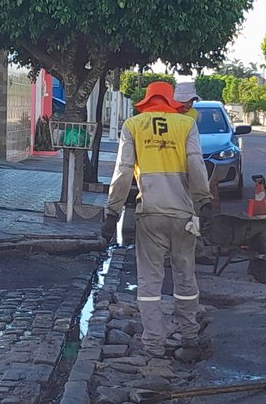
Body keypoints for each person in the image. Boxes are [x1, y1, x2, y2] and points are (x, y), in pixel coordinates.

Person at [102, 82, 214, 362]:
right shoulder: (185, 125)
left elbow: (124, 171)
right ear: (171, 101)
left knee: (150, 282)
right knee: (185, 276)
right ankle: (189, 336)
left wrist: (111, 212)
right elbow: (197, 165)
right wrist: (204, 202)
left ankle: (153, 343)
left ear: (147, 101)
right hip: (183, 215)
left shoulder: (133, 125)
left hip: (150, 213)